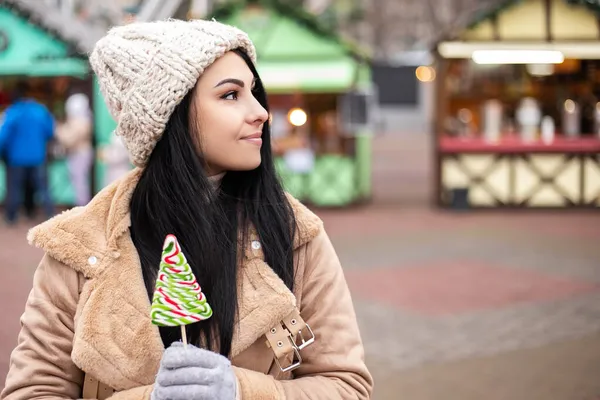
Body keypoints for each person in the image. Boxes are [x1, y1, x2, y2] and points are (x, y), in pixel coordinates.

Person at [1, 19, 373, 400]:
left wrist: (242, 391)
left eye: (254, 93)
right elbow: (32, 390)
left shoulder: (295, 234)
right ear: (169, 114)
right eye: (231, 95)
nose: (261, 112)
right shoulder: (79, 248)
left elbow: (345, 385)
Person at [0, 80, 54, 225]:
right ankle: (51, 216)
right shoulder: (40, 110)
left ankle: (11, 218)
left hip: (16, 158)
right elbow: (50, 131)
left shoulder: (12, 112)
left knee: (14, 189)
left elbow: (3, 135)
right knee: (43, 189)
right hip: (37, 156)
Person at [55, 93, 94, 206]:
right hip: (77, 154)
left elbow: (69, 139)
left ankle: (82, 206)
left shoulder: (82, 122)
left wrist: (58, 129)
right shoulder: (83, 120)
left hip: (79, 155)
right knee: (78, 181)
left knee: (80, 182)